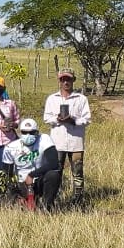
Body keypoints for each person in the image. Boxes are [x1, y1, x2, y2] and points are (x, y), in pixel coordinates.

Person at [43, 68, 91, 204]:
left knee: (78, 172)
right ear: (59, 81)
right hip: (57, 142)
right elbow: (46, 118)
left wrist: (73, 120)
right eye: (63, 79)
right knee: (55, 172)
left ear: (73, 80)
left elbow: (87, 119)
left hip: (76, 142)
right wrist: (58, 119)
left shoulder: (81, 99)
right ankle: (53, 198)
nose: (65, 82)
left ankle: (78, 200)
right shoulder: (52, 99)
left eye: (68, 79)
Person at [2, 118, 62, 211]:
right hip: (21, 183)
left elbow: (54, 163)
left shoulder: (44, 139)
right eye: (24, 132)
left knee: (53, 175)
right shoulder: (11, 147)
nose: (28, 135)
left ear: (37, 132)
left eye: (31, 132)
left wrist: (32, 175)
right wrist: (15, 193)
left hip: (39, 180)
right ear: (20, 132)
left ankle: (46, 208)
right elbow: (7, 173)